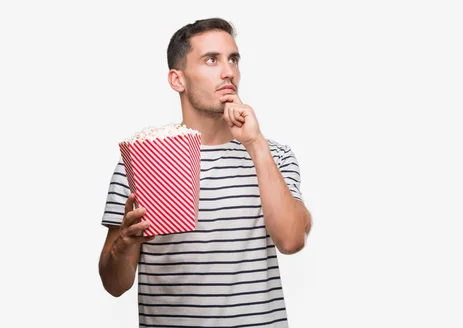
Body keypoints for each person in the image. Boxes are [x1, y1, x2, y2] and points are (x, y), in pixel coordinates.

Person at [98, 18, 312, 327]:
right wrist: (125, 245)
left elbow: (292, 241)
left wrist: (255, 144)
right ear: (177, 80)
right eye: (211, 60)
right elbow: (114, 285)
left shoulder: (274, 155)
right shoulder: (139, 162)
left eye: (233, 59)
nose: (229, 72)